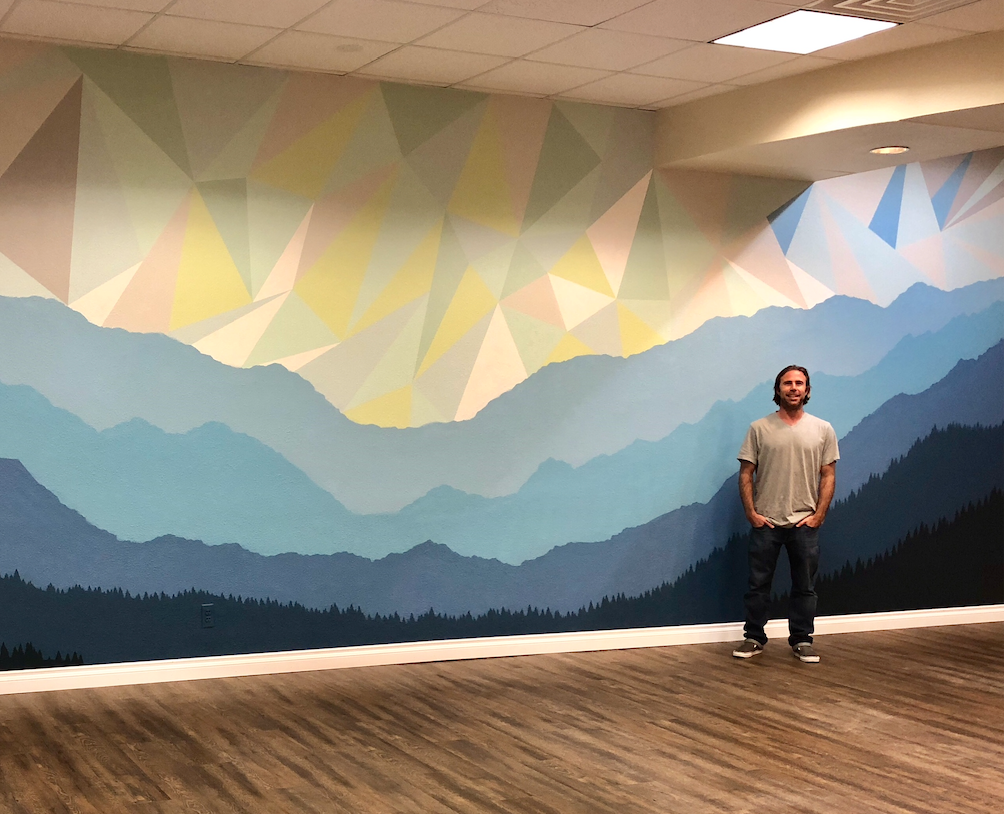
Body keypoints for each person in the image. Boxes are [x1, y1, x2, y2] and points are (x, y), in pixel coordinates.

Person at [732, 365, 838, 663]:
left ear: (807, 390)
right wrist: (752, 513)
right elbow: (745, 474)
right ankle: (753, 637)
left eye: (799, 383)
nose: (793, 388)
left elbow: (828, 475)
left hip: (804, 523)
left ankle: (802, 640)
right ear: (778, 390)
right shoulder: (759, 428)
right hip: (766, 521)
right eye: (787, 383)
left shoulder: (823, 429)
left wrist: (819, 515)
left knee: (805, 587)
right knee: (758, 586)